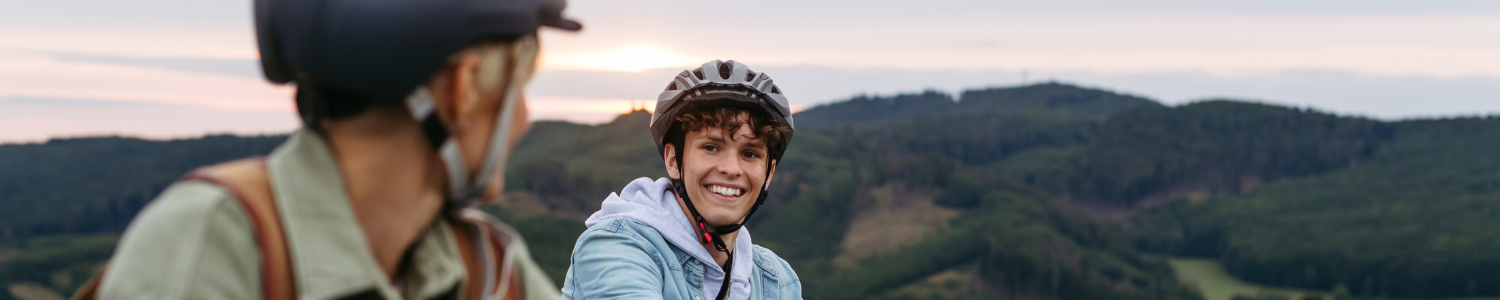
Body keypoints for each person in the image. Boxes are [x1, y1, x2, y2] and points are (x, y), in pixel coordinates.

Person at [85, 0, 580, 299]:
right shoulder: (212, 250)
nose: (524, 118)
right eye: (519, 88)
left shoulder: (485, 269)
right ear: (463, 88)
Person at [560, 60, 802, 300]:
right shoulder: (615, 249)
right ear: (674, 160)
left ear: (768, 174)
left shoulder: (775, 280)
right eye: (711, 147)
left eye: (749, 154)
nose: (731, 169)